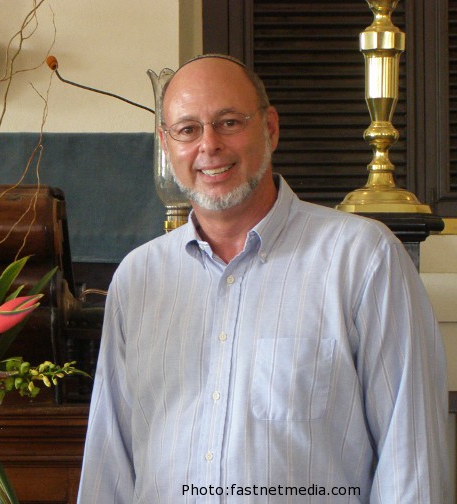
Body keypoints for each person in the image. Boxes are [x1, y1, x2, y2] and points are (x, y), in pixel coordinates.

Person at [77, 54, 448, 503]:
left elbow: (412, 460)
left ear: (270, 128)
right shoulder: (137, 279)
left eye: (229, 122)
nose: (208, 145)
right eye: (188, 129)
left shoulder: (363, 260)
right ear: (166, 144)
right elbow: (109, 462)